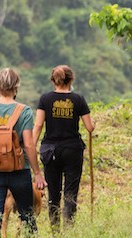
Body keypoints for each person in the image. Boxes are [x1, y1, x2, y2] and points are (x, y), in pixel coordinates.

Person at [0, 68, 47, 238]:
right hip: (19, 171)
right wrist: (37, 173)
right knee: (27, 217)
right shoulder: (24, 111)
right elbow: (29, 145)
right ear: (16, 88)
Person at [32, 65, 94, 231]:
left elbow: (38, 125)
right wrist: (93, 123)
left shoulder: (45, 99)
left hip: (50, 151)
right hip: (72, 150)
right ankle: (69, 229)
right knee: (70, 192)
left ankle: (55, 231)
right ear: (71, 80)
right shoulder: (78, 99)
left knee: (53, 192)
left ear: (53, 80)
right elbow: (89, 127)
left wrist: (30, 146)